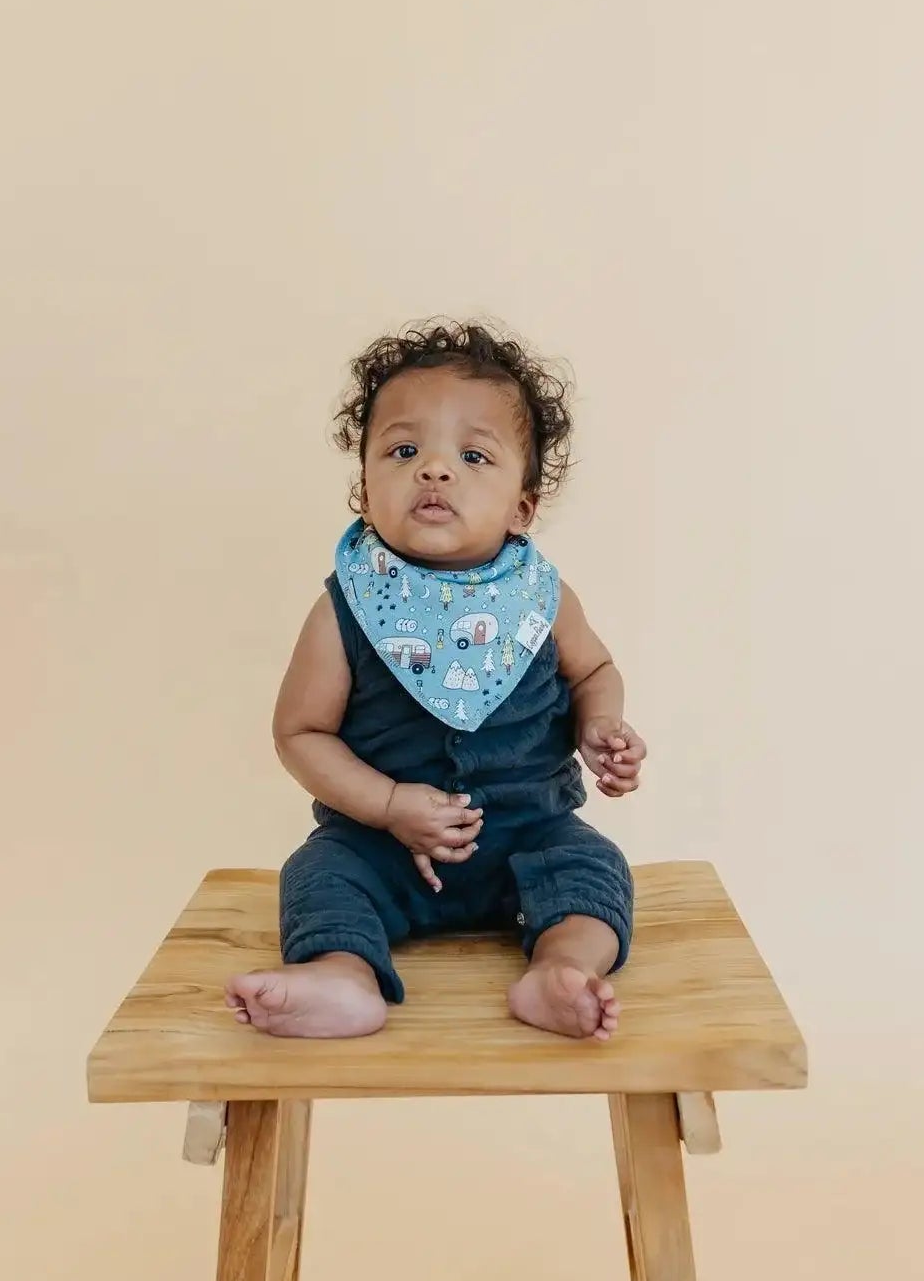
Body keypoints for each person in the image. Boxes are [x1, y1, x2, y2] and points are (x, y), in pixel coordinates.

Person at [225, 321, 645, 1043]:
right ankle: (343, 977)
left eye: (473, 456)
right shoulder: (347, 608)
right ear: (364, 491)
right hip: (383, 847)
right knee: (319, 876)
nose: (435, 470)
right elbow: (300, 734)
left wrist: (601, 725)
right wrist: (387, 805)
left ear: (522, 507)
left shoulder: (541, 599)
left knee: (593, 870)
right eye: (404, 451)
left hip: (530, 837)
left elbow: (596, 671)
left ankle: (561, 969)